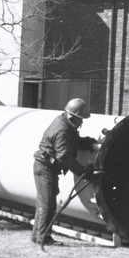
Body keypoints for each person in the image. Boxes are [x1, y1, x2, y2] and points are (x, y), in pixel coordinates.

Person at [31, 98, 101, 246]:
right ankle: (44, 237)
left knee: (44, 203)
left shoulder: (65, 123)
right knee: (48, 204)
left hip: (45, 166)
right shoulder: (63, 129)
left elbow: (73, 141)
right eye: (80, 119)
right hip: (45, 168)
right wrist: (84, 173)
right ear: (72, 117)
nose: (81, 123)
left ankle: (37, 236)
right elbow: (64, 158)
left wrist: (89, 142)